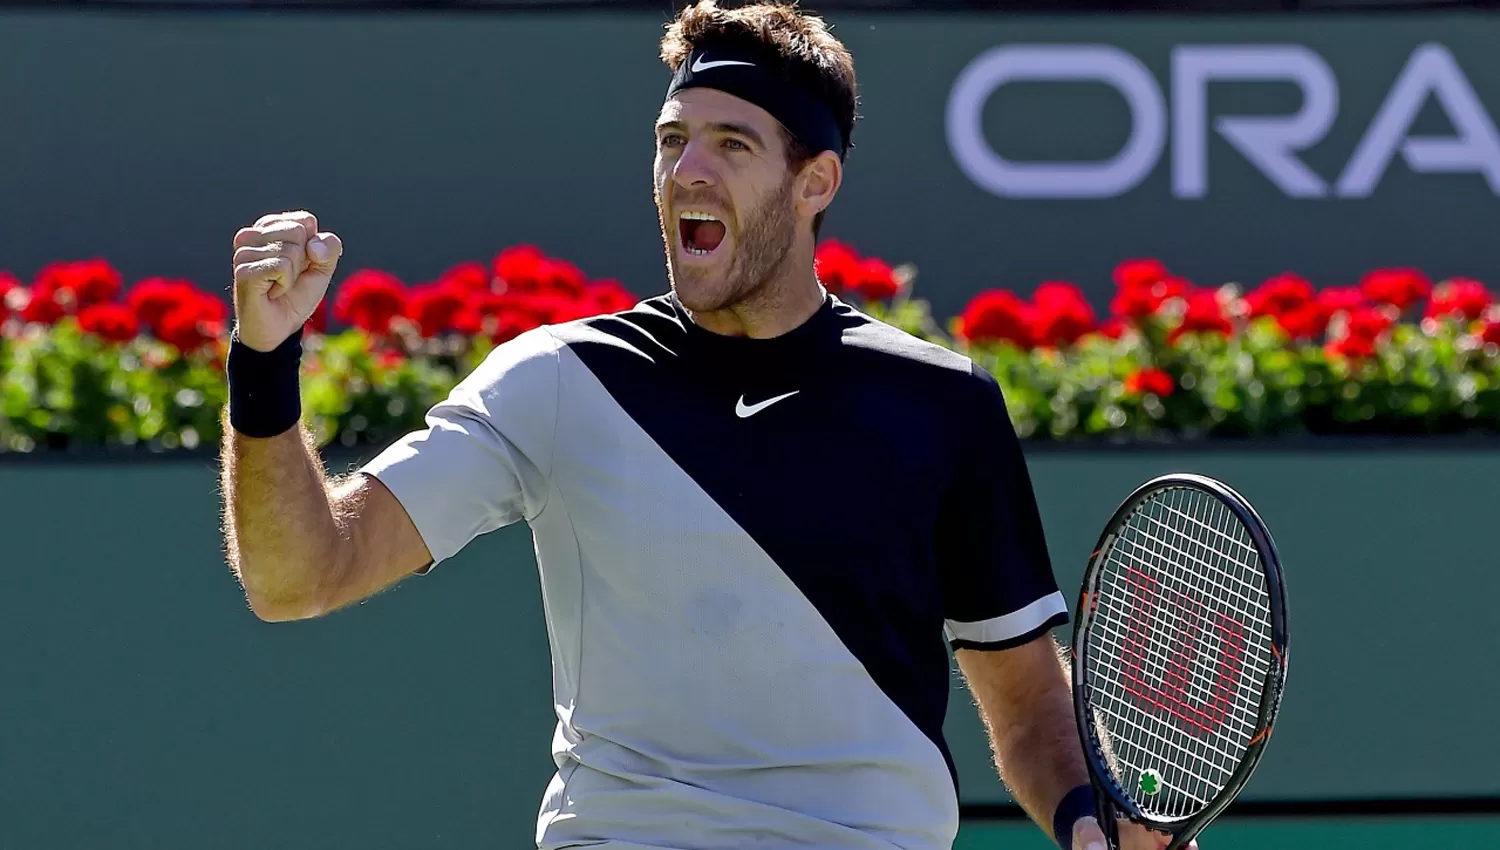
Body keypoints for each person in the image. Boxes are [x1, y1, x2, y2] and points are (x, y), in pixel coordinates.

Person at [219, 3, 1191, 849]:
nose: (687, 169)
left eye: (732, 144)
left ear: (816, 183)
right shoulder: (560, 382)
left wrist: (1085, 821)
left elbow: (1026, 708)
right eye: (671, 138)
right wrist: (264, 362)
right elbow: (302, 573)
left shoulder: (943, 406)